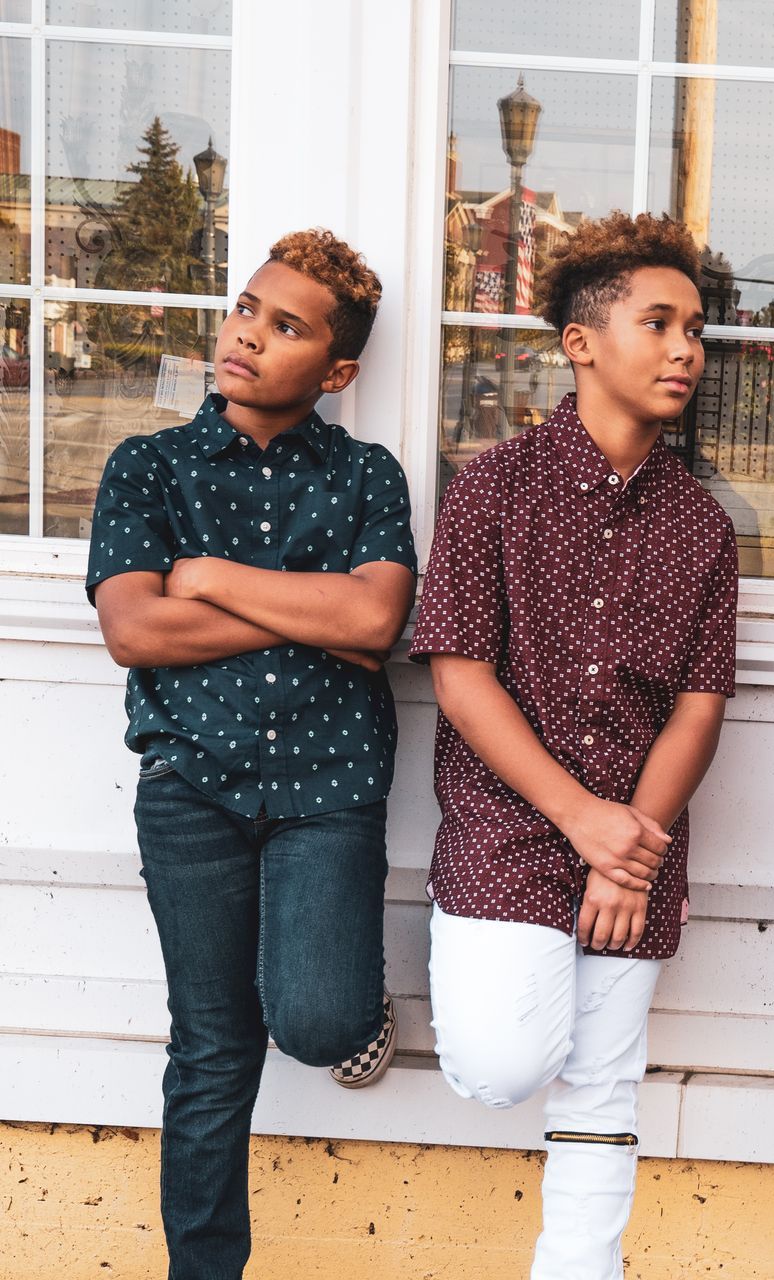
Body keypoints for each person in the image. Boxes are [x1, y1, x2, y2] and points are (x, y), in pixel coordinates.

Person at [410, 210, 737, 1280]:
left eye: (697, 327)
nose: (688, 346)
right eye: (660, 321)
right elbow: (459, 670)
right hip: (510, 827)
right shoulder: (492, 487)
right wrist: (580, 819)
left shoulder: (704, 526)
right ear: (581, 341)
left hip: (635, 841)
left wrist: (632, 842)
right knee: (506, 1063)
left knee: (604, 1090)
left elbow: (698, 701)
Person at [87, 229, 412, 1279]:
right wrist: (312, 610)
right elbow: (137, 630)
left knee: (317, 1019)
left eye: (286, 326)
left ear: (338, 368)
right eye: (245, 309)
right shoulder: (149, 464)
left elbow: (375, 622)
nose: (249, 335)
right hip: (193, 784)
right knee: (213, 1047)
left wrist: (210, 574)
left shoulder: (368, 473)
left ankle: (348, 1006)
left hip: (330, 790)